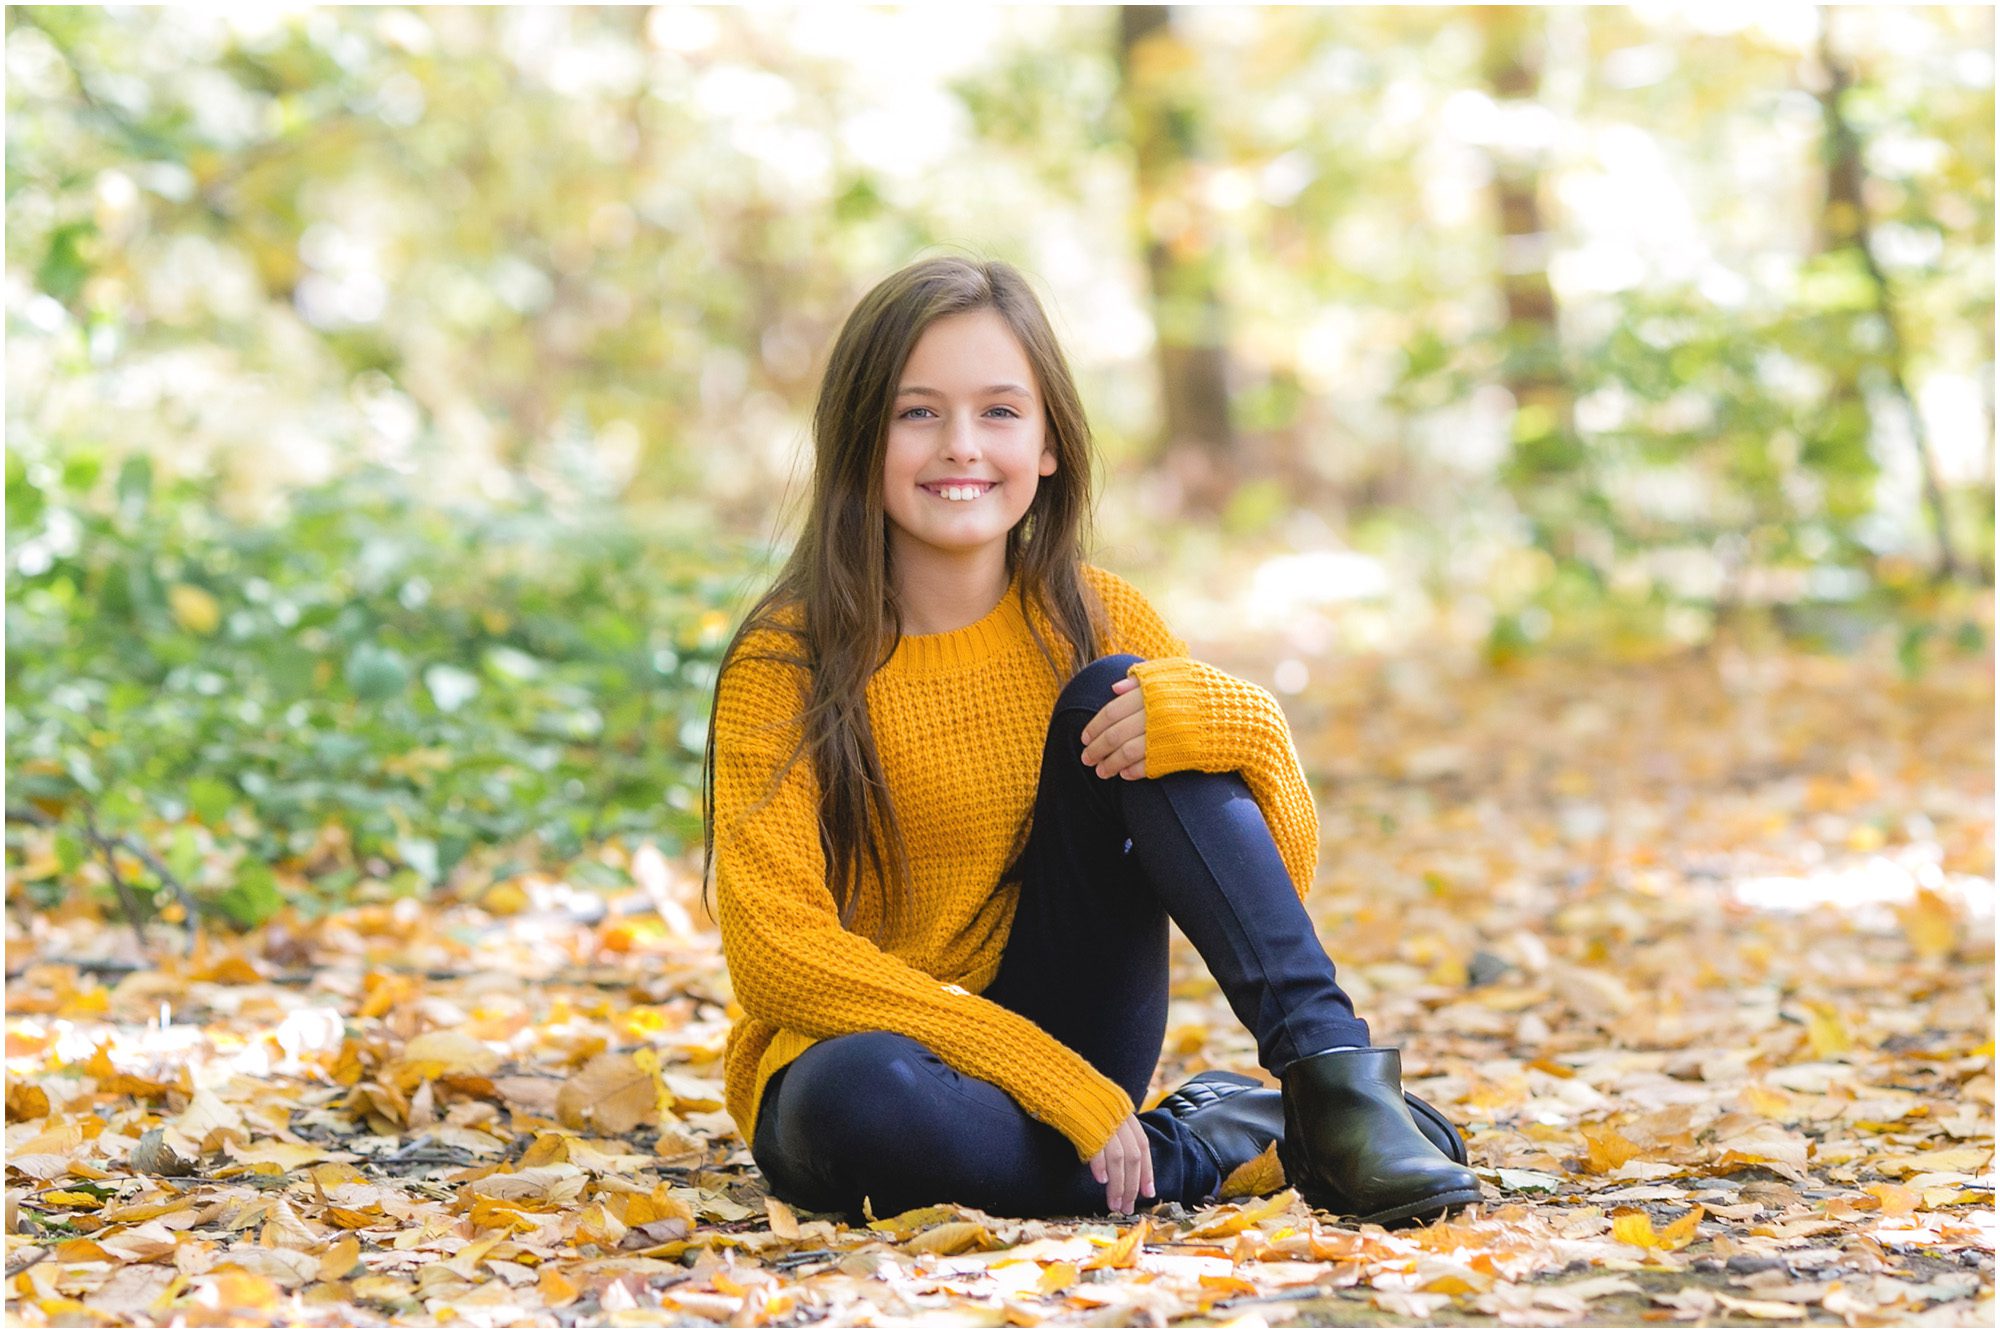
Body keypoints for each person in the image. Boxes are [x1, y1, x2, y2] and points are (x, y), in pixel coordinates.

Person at [700, 255, 1481, 1227]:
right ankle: (1206, 1141)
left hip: (1072, 1022)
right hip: (872, 1061)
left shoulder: (1099, 616)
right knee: (863, 1100)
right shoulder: (787, 660)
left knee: (1122, 696)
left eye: (997, 411)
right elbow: (778, 956)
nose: (959, 446)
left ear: (1049, 444)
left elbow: (1261, 881)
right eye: (916, 413)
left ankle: (1331, 1087)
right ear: (859, 439)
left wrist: (1251, 729)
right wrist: (1036, 1072)